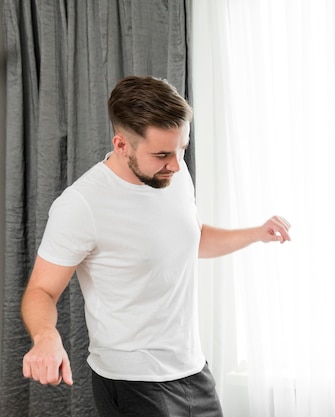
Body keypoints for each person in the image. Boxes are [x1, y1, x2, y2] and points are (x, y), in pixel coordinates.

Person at [21, 75, 292, 417]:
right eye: (163, 154)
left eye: (182, 149)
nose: (177, 164)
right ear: (121, 145)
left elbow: (191, 239)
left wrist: (255, 233)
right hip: (132, 382)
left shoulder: (171, 174)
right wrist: (46, 336)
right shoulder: (81, 204)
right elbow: (41, 290)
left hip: (192, 370)